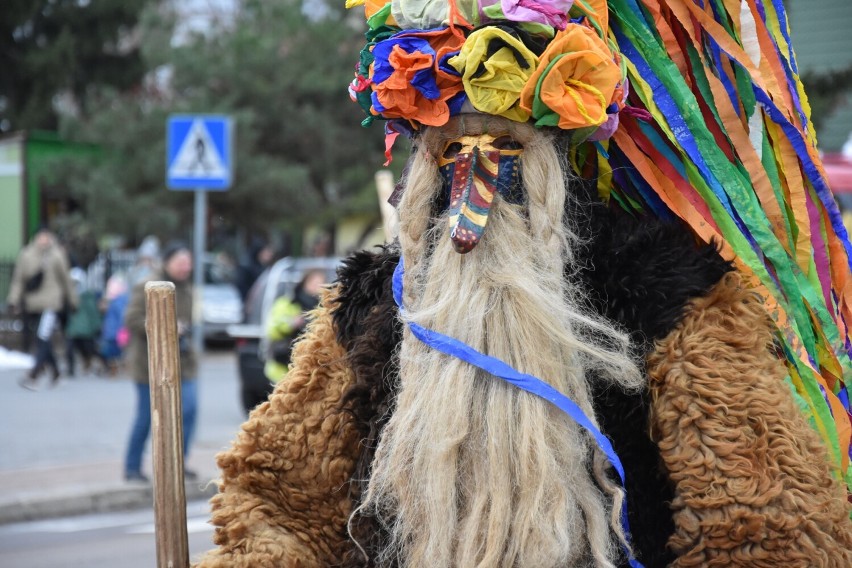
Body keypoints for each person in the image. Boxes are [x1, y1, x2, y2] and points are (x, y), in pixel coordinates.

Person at [196, 2, 852, 566]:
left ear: (555, 142)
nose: (479, 177)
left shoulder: (664, 286)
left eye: (506, 148)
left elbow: (764, 516)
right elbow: (276, 499)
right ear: (420, 157)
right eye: (453, 150)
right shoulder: (374, 302)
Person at [122, 242, 198, 483]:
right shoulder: (147, 285)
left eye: (188, 263)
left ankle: (179, 463)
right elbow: (132, 319)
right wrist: (164, 327)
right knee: (146, 417)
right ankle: (132, 467)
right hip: (149, 365)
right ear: (167, 262)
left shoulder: (187, 287)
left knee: (189, 410)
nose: (186, 267)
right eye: (181, 263)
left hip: (183, 362)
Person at [8, 226, 78, 389]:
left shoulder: (56, 255)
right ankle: (55, 372)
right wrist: (13, 300)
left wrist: (73, 300)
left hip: (51, 304)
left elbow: (66, 280)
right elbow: (19, 279)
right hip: (33, 304)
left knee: (43, 337)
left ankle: (34, 373)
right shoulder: (27, 255)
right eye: (41, 236)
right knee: (41, 339)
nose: (44, 240)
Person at [251, 269, 326, 411]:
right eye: (314, 282)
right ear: (304, 283)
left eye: (321, 283)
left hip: (311, 371)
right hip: (282, 369)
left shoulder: (325, 308)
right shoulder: (287, 303)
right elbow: (272, 329)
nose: (318, 286)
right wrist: (292, 323)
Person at [64, 267, 102, 376]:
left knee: (89, 349)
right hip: (74, 328)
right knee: (71, 349)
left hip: (84, 329)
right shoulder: (70, 296)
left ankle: (103, 363)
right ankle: (71, 369)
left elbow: (92, 312)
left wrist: (96, 325)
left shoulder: (86, 296)